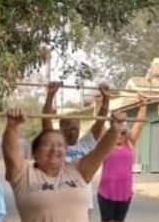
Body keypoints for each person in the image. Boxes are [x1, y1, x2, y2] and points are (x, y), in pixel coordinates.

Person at [43, 80, 111, 210]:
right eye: (69, 127)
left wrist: (106, 99)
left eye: (75, 128)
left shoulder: (85, 143)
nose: (73, 131)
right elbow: (46, 119)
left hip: (83, 206)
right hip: (60, 204)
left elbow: (101, 121)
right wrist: (50, 96)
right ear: (61, 129)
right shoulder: (55, 146)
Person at [97, 94, 147, 222]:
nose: (121, 135)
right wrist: (100, 103)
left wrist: (143, 106)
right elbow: (99, 122)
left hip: (124, 192)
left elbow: (139, 124)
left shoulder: (130, 143)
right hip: (106, 191)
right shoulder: (106, 142)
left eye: (123, 132)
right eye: (118, 131)